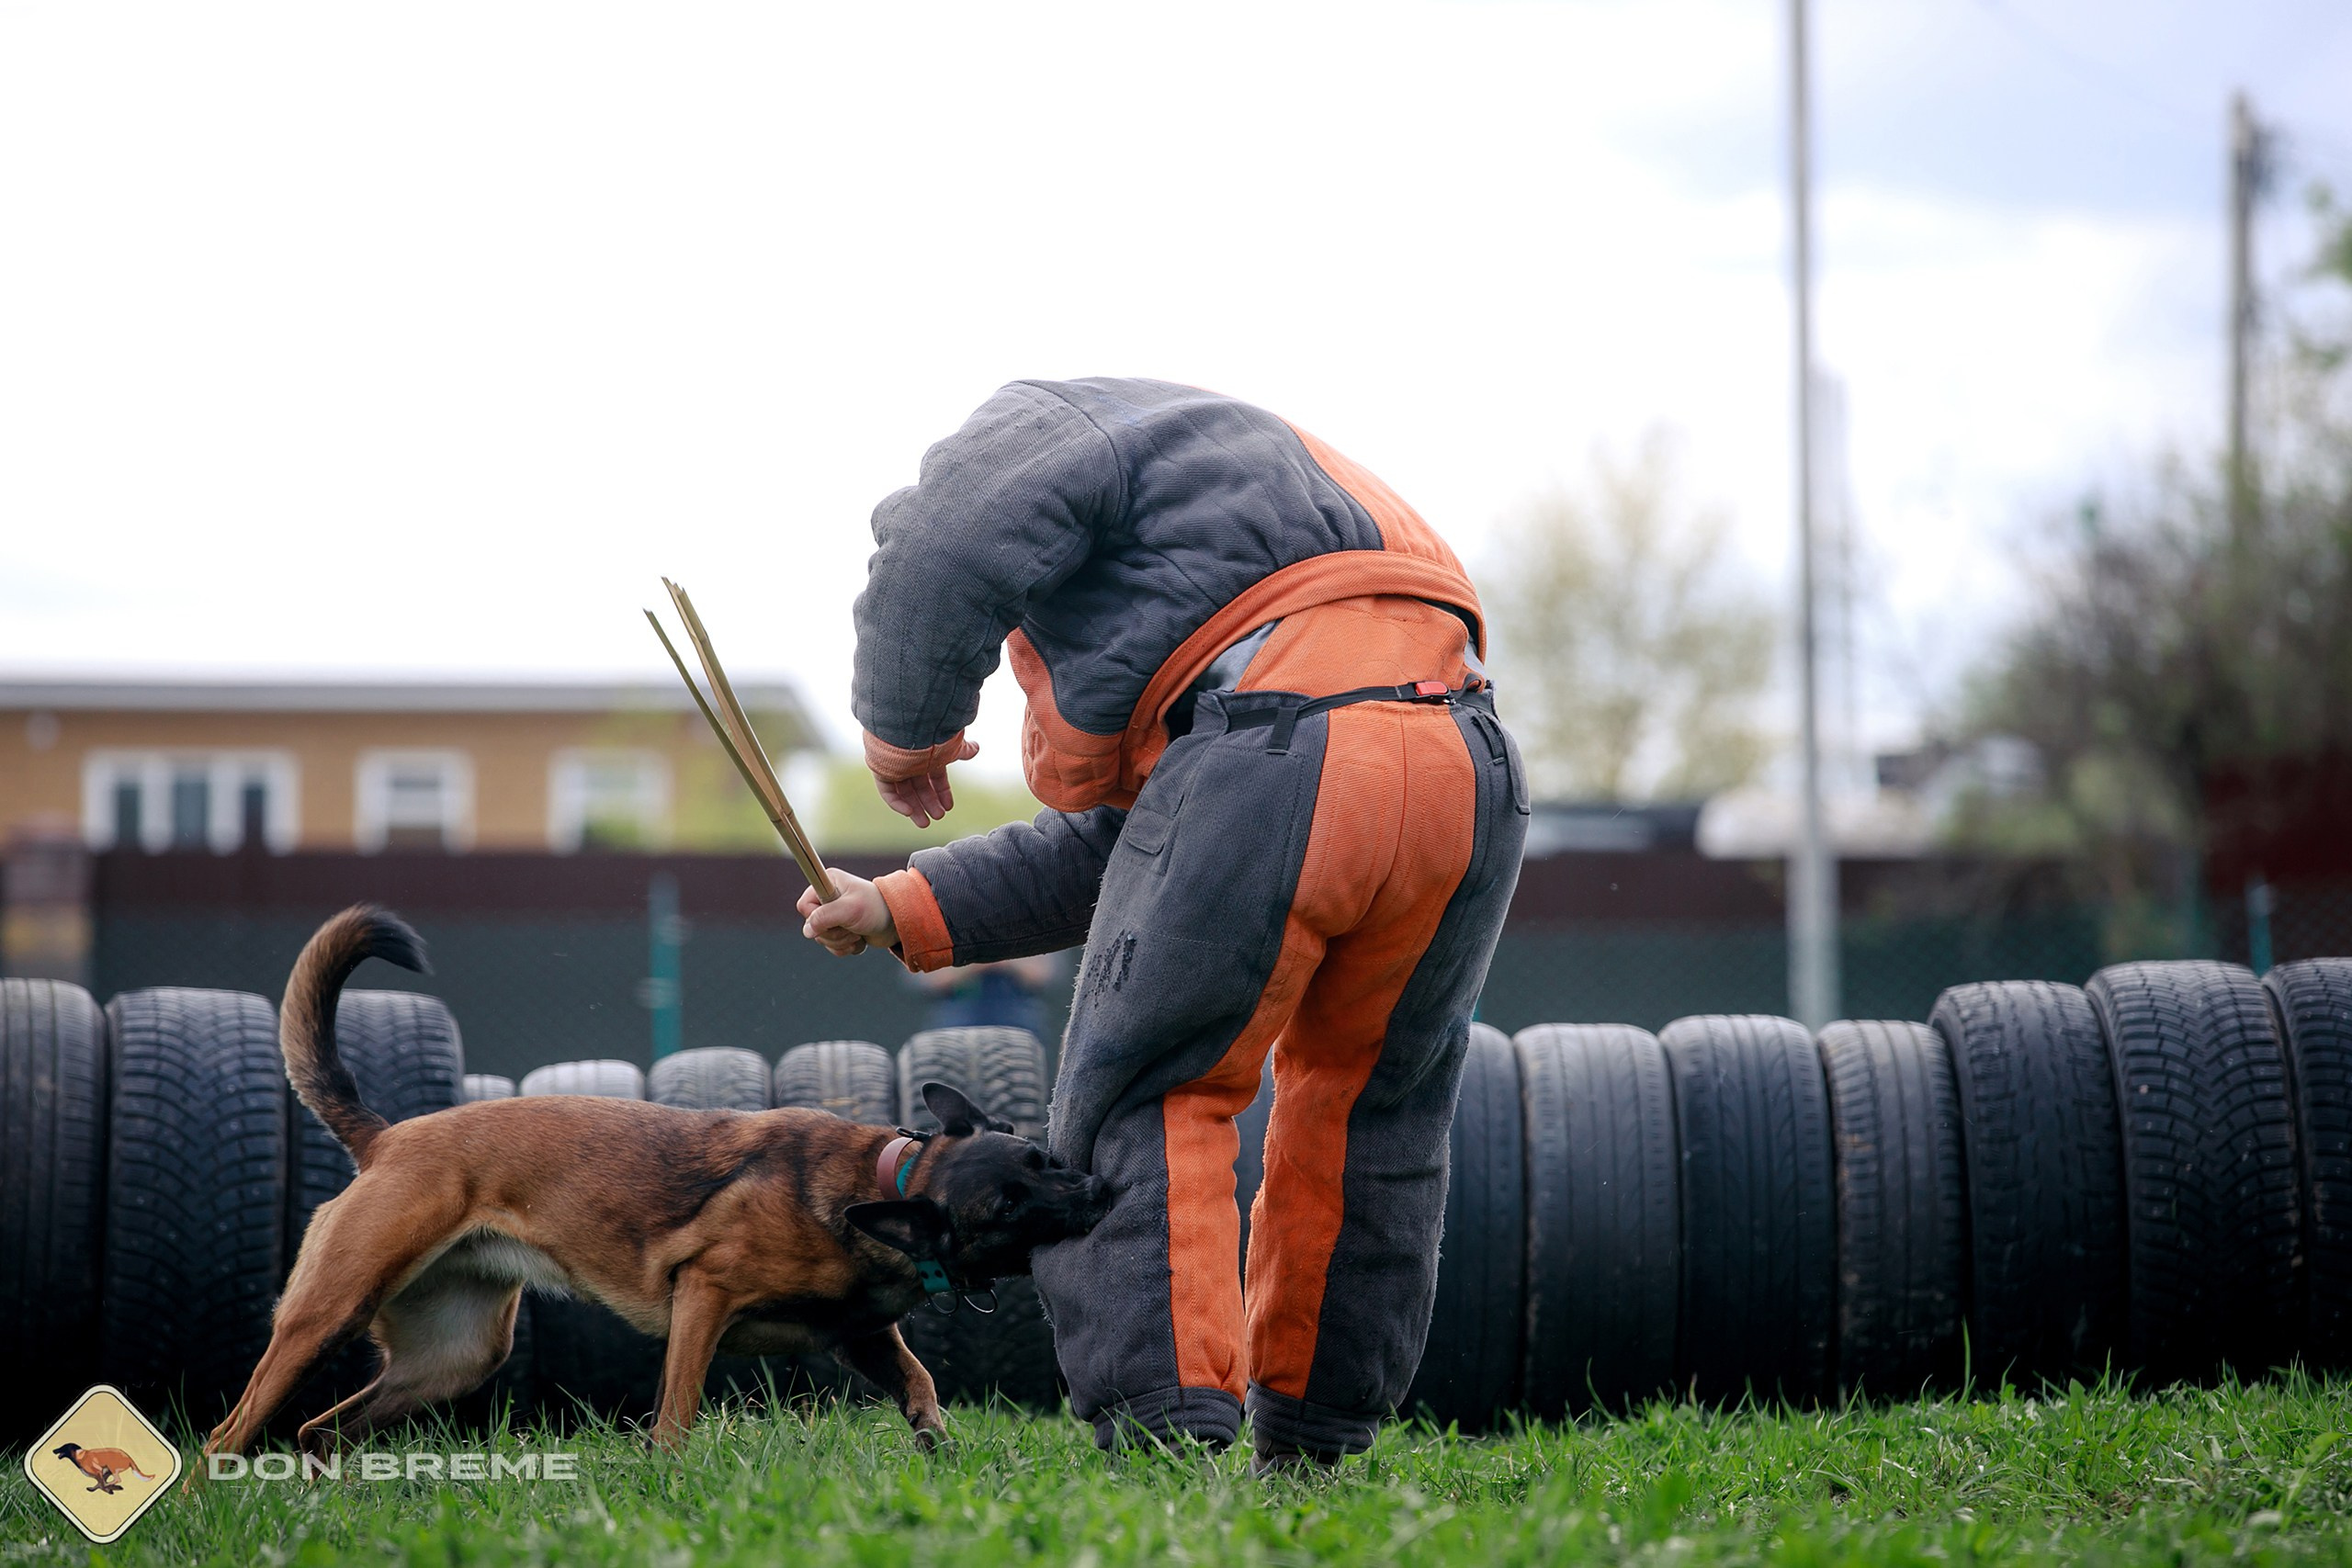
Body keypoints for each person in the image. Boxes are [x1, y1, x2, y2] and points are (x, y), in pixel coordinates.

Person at [798, 377, 1527, 1470]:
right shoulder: (1256, 516)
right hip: (1466, 766)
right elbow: (1144, 848)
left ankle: (1163, 1434)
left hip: (1276, 763)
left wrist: (905, 723)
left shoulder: (1051, 423)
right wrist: (897, 905)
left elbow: (939, 541)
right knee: (1374, 1112)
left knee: (1149, 1095)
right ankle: (1314, 1443)